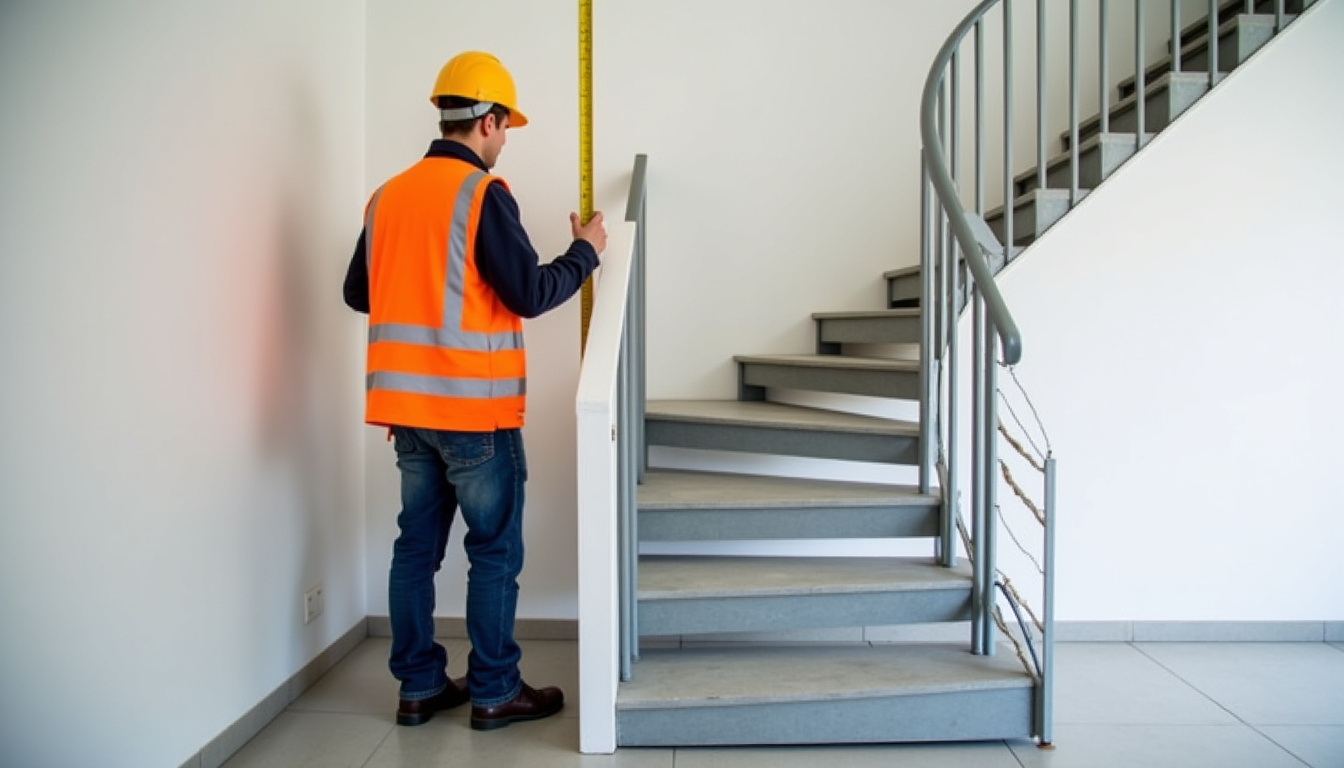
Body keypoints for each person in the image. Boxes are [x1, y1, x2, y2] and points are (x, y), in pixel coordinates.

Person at [342, 50, 606, 730]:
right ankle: (494, 690)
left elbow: (356, 292)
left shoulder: (387, 196)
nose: (505, 137)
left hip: (406, 412)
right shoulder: (483, 194)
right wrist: (587, 252)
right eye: (506, 125)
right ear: (487, 120)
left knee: (414, 551)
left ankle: (420, 687)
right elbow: (528, 292)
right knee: (492, 553)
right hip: (474, 416)